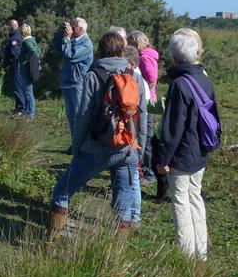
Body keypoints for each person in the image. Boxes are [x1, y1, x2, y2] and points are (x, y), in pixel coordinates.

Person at [47, 31, 147, 240]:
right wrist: (140, 151)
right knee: (123, 206)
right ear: (122, 50)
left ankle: (51, 241)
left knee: (62, 191)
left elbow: (83, 116)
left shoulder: (93, 75)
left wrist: (77, 148)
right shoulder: (135, 75)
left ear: (100, 51)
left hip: (96, 148)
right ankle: (116, 253)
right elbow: (142, 117)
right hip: (127, 148)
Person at [153, 29, 220, 260]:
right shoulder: (204, 77)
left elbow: (173, 128)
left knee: (181, 204)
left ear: (174, 57)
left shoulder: (179, 84)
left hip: (182, 156)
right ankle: (200, 252)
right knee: (195, 199)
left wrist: (163, 160)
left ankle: (186, 257)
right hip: (200, 151)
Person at [122, 44, 150, 227]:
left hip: (130, 137)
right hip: (129, 136)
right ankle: (132, 216)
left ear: (131, 63)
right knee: (129, 176)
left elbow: (142, 116)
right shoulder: (137, 80)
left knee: (131, 176)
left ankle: (133, 216)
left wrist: (141, 147)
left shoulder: (136, 81)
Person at [53, 17, 93, 140]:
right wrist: (60, 33)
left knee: (78, 116)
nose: (71, 29)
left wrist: (66, 38)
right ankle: (75, 144)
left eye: (74, 26)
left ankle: (80, 145)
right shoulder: (73, 40)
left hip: (77, 83)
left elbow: (70, 55)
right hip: (68, 82)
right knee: (71, 117)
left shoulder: (86, 43)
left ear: (81, 29)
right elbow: (57, 48)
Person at [128, 31, 158, 183]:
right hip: (147, 98)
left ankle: (148, 172)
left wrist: (142, 88)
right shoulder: (149, 54)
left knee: (145, 136)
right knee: (145, 135)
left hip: (145, 100)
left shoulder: (145, 57)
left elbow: (152, 78)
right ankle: (144, 170)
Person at [15, 22, 42, 119]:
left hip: (26, 71)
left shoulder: (26, 42)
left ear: (22, 32)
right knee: (27, 91)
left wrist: (27, 60)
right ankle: (27, 111)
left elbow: (34, 51)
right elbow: (39, 50)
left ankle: (30, 114)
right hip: (28, 70)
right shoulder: (31, 40)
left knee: (28, 93)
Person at [128, 31, 159, 103]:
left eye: (129, 44)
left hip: (146, 98)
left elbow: (152, 80)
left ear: (136, 44)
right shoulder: (146, 56)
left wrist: (142, 92)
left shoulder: (145, 58)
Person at [3, 18, 23, 114]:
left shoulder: (14, 38)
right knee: (18, 87)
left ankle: (20, 108)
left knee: (17, 87)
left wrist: (9, 63)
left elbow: (15, 54)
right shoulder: (18, 35)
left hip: (16, 66)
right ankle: (19, 107)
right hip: (17, 65)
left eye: (8, 25)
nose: (7, 27)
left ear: (11, 27)